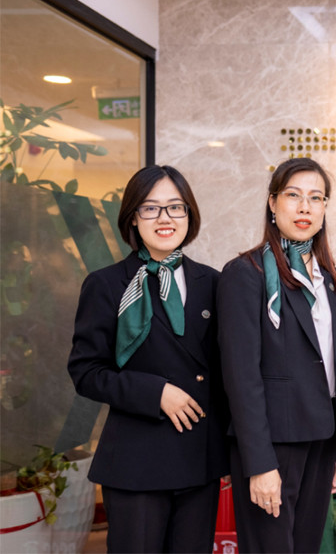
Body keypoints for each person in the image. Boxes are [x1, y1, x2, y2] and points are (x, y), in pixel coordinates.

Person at [67, 165, 228, 552]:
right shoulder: (106, 284)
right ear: (133, 218)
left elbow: (229, 371)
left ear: (189, 215)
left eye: (176, 207)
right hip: (135, 461)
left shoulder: (215, 282)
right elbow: (86, 371)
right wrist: (155, 393)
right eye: (151, 208)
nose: (165, 218)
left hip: (199, 460)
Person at [217, 158, 336, 553]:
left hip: (322, 439)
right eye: (293, 195)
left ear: (325, 208)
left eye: (316, 198)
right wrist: (260, 463)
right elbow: (241, 378)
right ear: (273, 203)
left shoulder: (330, 279)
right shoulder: (245, 273)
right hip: (272, 444)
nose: (304, 207)